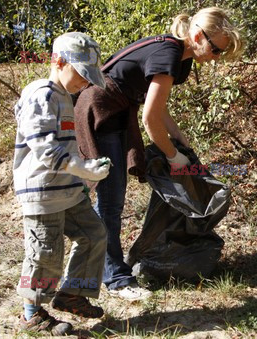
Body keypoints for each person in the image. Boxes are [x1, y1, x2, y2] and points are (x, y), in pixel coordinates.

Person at [74, 7, 244, 299]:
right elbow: (149, 119)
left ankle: (109, 267)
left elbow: (157, 105)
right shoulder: (168, 54)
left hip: (118, 110)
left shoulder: (180, 58)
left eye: (221, 53)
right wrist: (173, 157)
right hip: (101, 111)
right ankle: (115, 278)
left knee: (112, 199)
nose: (215, 57)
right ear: (196, 35)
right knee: (111, 200)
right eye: (215, 49)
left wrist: (178, 138)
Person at [13, 32, 110, 335]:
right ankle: (32, 313)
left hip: (67, 189)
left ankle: (72, 293)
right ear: (58, 61)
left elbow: (66, 147)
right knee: (45, 253)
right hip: (43, 192)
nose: (86, 82)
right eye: (82, 73)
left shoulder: (64, 96)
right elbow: (43, 146)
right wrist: (83, 168)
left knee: (94, 234)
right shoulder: (41, 93)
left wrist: (82, 176)